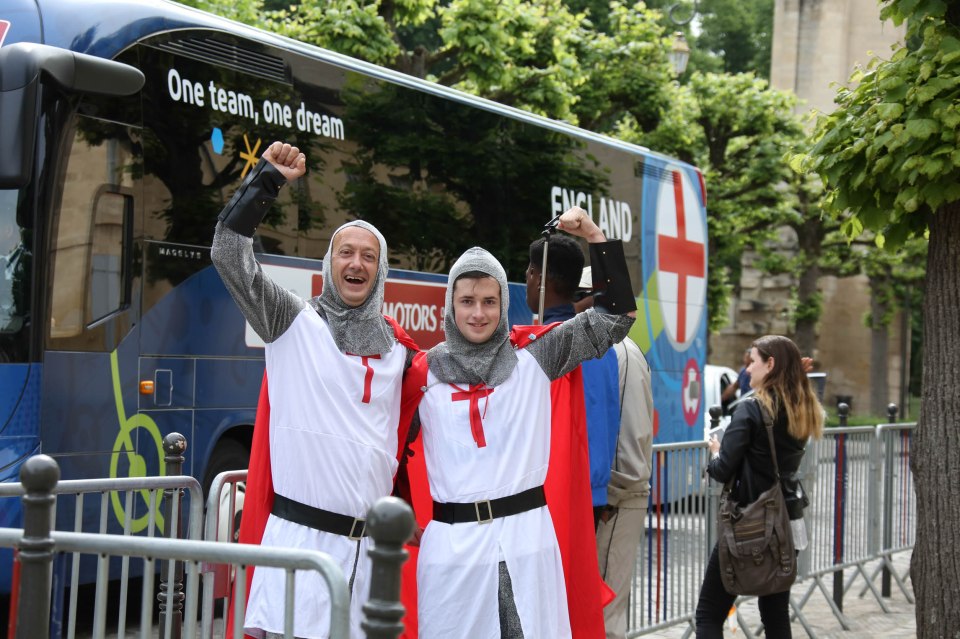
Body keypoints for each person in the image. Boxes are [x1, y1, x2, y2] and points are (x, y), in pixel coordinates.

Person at [211, 141, 419, 639]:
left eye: (369, 256)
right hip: (298, 553)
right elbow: (227, 252)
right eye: (346, 252)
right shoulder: (293, 322)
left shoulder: (401, 353)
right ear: (330, 262)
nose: (357, 262)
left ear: (381, 270)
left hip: (369, 560)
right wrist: (267, 182)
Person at [404, 206, 636, 638]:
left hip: (525, 545)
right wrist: (399, 507)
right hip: (452, 552)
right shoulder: (422, 373)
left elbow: (617, 314)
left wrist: (593, 234)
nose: (478, 313)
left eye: (489, 302)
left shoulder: (535, 358)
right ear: (450, 304)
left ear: (502, 303)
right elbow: (390, 448)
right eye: (467, 301)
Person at [695, 335, 824, 638]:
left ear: (770, 364)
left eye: (752, 361)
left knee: (708, 613)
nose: (747, 369)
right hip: (784, 522)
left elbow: (723, 469)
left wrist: (715, 450)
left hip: (747, 523)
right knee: (775, 614)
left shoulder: (751, 409)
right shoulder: (802, 407)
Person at [525, 235, 621, 528]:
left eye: (529, 270)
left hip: (554, 491)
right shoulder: (603, 347)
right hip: (591, 491)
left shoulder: (543, 344)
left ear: (539, 278)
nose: (526, 278)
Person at [592, 283, 654, 638]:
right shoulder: (602, 347)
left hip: (616, 501)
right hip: (607, 498)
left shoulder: (621, 351)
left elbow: (629, 451)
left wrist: (606, 496)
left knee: (607, 614)